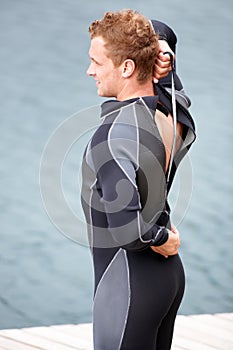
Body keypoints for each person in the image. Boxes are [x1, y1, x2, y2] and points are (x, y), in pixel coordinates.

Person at [81, 9, 196, 350]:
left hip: (128, 288)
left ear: (127, 67)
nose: (90, 70)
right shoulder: (172, 115)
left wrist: (162, 237)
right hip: (167, 279)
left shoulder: (112, 135)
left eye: (96, 62)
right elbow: (177, 89)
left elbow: (128, 229)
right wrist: (163, 53)